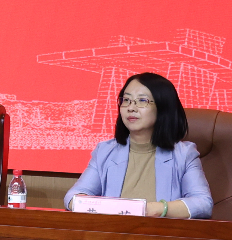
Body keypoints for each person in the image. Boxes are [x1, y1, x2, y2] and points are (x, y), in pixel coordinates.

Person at [64, 72, 212, 218]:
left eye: (142, 101)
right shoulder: (105, 151)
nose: (131, 108)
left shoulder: (184, 155)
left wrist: (155, 209)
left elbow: (203, 204)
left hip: (160, 232)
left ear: (163, 107)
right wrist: (99, 206)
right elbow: (72, 197)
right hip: (112, 232)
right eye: (126, 100)